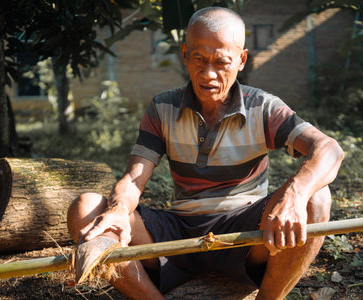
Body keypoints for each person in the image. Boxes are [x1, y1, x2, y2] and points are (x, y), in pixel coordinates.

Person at [67, 7, 344, 300]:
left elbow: (329, 149)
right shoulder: (163, 108)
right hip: (178, 234)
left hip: (246, 236)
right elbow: (135, 178)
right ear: (184, 53)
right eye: (198, 58)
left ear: (241, 59)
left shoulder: (262, 108)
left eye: (221, 62)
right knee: (84, 208)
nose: (208, 73)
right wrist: (119, 211)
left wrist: (294, 195)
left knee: (316, 197)